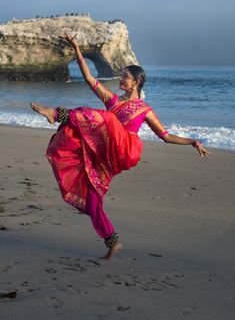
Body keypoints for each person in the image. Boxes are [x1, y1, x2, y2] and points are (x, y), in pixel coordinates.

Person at [31, 33, 210, 260]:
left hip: (125, 147)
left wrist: (192, 141)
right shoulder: (113, 101)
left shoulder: (145, 109)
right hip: (104, 153)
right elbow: (89, 79)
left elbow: (165, 136)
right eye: (122, 75)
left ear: (136, 82)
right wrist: (76, 47)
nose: (121, 79)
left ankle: (55, 113)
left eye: (125, 76)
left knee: (105, 118)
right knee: (93, 202)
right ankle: (113, 242)